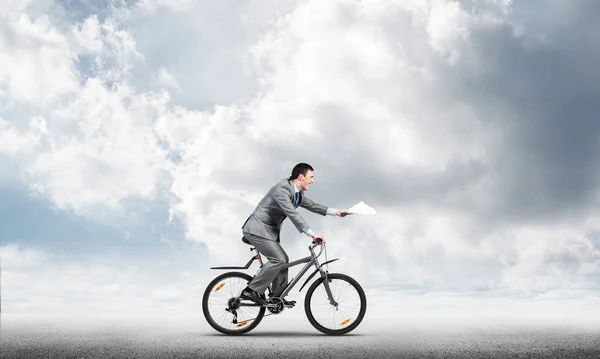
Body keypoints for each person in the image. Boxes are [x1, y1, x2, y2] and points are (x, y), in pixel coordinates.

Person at [239, 163, 351, 305]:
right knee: (278, 259)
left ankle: (277, 297)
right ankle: (251, 290)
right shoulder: (282, 189)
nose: (312, 181)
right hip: (256, 229)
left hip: (267, 231)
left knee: (283, 260)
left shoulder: (297, 193)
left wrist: (336, 212)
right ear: (301, 177)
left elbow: (313, 205)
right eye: (311, 177)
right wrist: (312, 234)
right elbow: (292, 213)